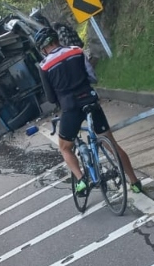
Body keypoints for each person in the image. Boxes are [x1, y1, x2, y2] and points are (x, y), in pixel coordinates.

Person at [34, 25, 142, 196]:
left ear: (43, 48)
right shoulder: (76, 51)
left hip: (71, 108)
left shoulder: (44, 67)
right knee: (111, 143)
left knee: (65, 147)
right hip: (90, 100)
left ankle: (81, 179)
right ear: (57, 40)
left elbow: (51, 98)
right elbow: (92, 76)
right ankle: (135, 182)